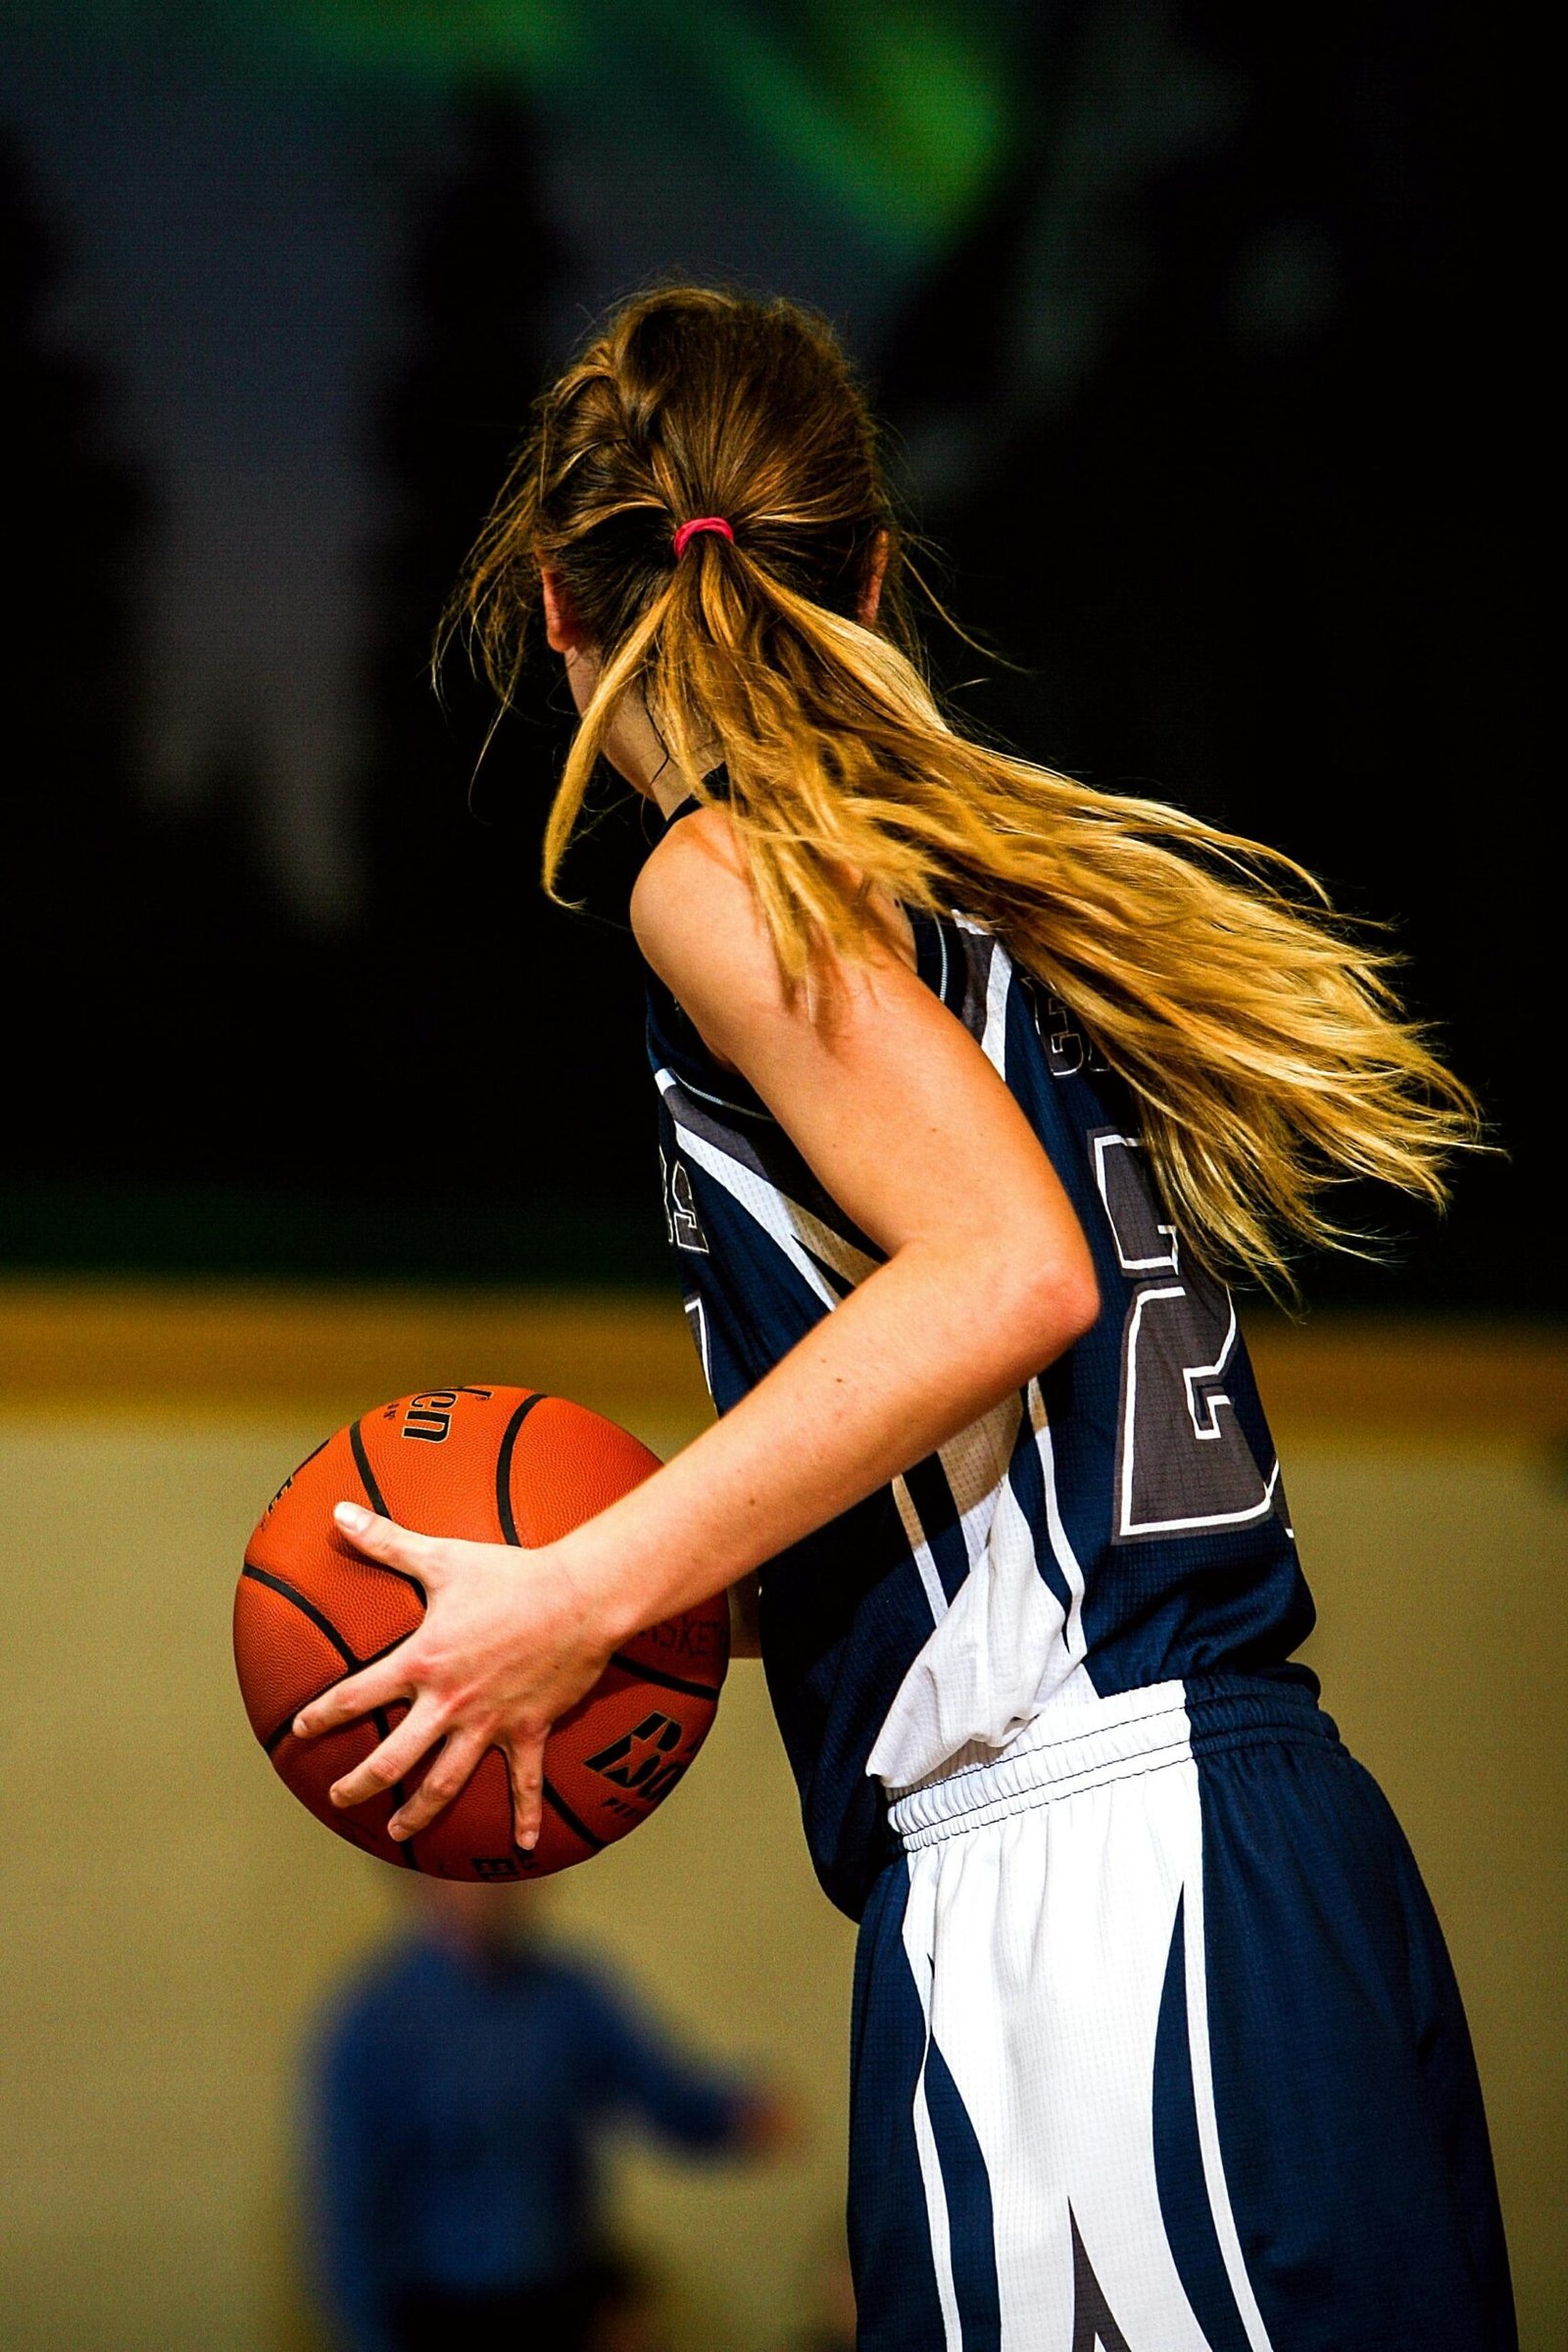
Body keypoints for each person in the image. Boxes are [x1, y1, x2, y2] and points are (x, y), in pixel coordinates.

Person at [294, 287, 1515, 2348]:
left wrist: (590, 1586)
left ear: (551, 607)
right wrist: (650, 1593)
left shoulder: (721, 871)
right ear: (867, 570)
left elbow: (1005, 1276)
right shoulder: (957, 873)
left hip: (1091, 1882)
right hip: (1241, 1837)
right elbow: (995, 1444)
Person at [309, 1876, 780, 2352]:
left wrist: (731, 2115)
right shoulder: (375, 2022)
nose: (492, 1885)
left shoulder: (569, 1996)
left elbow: (658, 2090)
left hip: (560, 2302)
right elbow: (352, 2211)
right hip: (439, 2314)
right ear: (420, 1876)